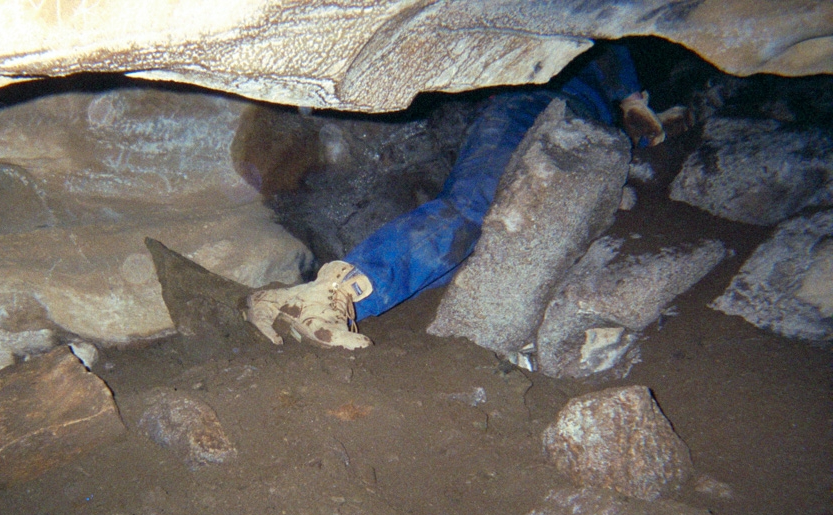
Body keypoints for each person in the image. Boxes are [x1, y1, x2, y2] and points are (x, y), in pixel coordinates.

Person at [244, 43, 688, 350]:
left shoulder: (613, 76)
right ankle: (334, 292)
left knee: (477, 247)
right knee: (473, 208)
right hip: (530, 105)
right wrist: (638, 108)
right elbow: (623, 85)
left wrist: (644, 121)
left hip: (572, 131)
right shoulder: (599, 38)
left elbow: (630, 124)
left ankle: (321, 303)